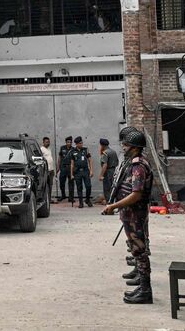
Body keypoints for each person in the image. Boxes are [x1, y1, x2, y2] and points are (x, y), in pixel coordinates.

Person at [103, 128, 155, 304]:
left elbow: (136, 194)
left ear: (134, 147)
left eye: (126, 144)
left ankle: (146, 291)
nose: (123, 147)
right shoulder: (133, 163)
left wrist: (114, 206)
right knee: (136, 250)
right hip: (130, 214)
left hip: (135, 214)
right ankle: (142, 287)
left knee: (139, 251)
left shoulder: (138, 166)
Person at [71, 136, 93, 208]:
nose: (81, 144)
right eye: (80, 143)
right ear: (76, 144)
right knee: (79, 187)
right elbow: (72, 164)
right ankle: (81, 202)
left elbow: (90, 160)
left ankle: (87, 199)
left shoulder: (85, 150)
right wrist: (71, 174)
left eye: (82, 143)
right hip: (77, 172)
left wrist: (91, 170)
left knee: (88, 186)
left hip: (85, 171)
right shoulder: (73, 151)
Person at [99, 138, 120, 203]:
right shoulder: (113, 151)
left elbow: (105, 165)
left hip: (107, 172)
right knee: (113, 187)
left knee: (107, 189)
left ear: (102, 145)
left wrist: (101, 175)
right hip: (114, 171)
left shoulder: (105, 153)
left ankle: (109, 203)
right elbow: (117, 162)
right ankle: (114, 202)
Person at [58, 136, 75, 202]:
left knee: (71, 183)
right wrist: (58, 167)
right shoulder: (62, 148)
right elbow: (59, 158)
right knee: (62, 182)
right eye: (68, 142)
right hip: (63, 167)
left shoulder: (73, 149)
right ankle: (63, 195)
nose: (69, 143)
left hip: (70, 168)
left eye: (70, 142)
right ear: (66, 142)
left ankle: (71, 197)